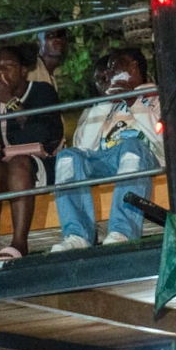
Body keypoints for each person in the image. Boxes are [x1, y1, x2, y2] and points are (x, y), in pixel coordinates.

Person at [50, 50, 162, 252]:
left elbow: (165, 142)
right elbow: (83, 147)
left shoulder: (158, 97)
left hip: (145, 159)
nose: (109, 74)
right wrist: (105, 103)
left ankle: (123, 231)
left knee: (131, 146)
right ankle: (77, 235)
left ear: (133, 68)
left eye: (114, 68)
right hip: (106, 162)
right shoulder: (102, 107)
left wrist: (132, 100)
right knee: (68, 157)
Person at [0, 45, 63, 262]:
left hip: (43, 164)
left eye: (8, 66)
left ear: (23, 70)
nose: (1, 73)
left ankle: (19, 243)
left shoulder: (42, 91)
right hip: (12, 165)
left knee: (18, 163)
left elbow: (44, 133)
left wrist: (12, 102)